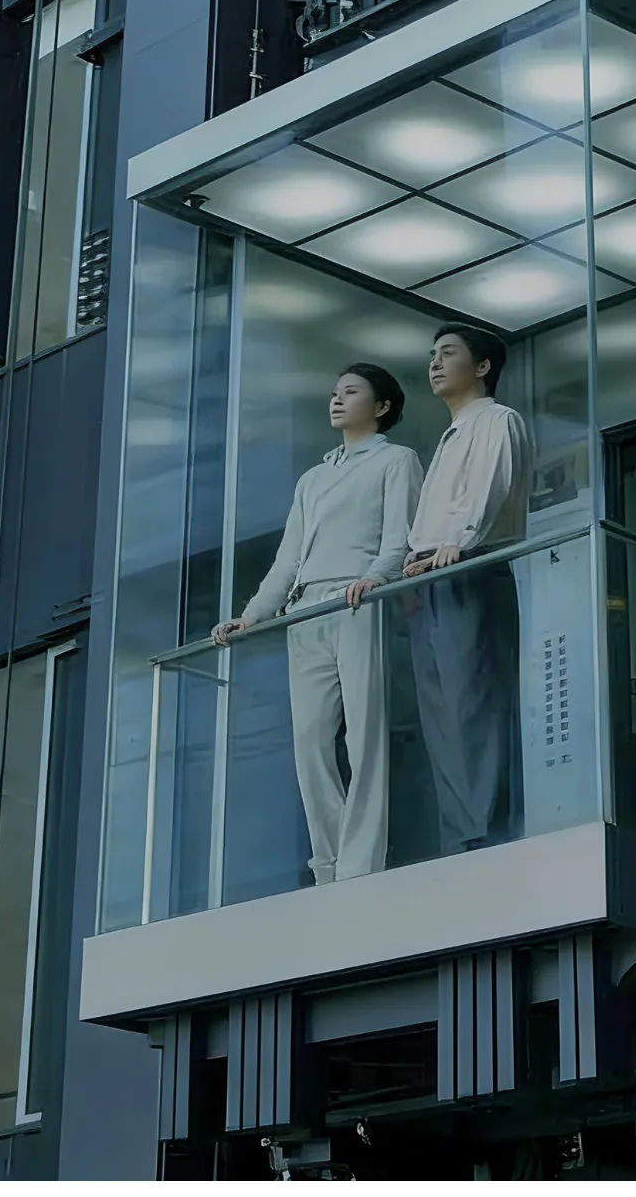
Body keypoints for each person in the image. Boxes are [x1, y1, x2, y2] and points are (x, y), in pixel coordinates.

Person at [213, 365, 422, 885]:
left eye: (351, 392)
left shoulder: (396, 460)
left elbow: (400, 538)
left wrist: (375, 578)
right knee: (310, 742)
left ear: (381, 407)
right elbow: (287, 560)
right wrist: (252, 615)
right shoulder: (313, 477)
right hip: (305, 611)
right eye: (334, 392)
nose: (337, 399)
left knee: (365, 738)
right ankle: (328, 863)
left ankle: (361, 864)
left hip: (356, 600)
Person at [403, 325, 534, 856]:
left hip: (469, 566)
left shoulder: (497, 420)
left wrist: (457, 542)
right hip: (431, 575)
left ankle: (489, 838)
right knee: (441, 714)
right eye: (432, 355)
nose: (435, 363)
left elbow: (488, 488)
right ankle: (461, 841)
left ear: (482, 367)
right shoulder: (450, 434)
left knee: (475, 705)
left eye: (448, 353)